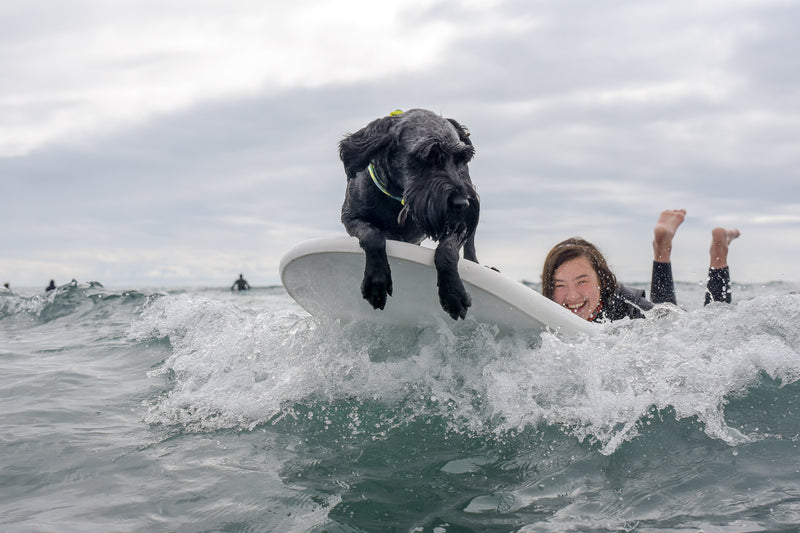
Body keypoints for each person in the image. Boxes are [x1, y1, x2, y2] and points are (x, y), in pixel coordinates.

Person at [541, 209, 740, 322]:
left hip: (660, 321)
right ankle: (662, 247)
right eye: (560, 285)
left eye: (581, 281)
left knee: (708, 322)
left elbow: (678, 328)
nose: (572, 295)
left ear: (601, 280)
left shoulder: (626, 303)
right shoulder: (544, 312)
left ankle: (718, 255)